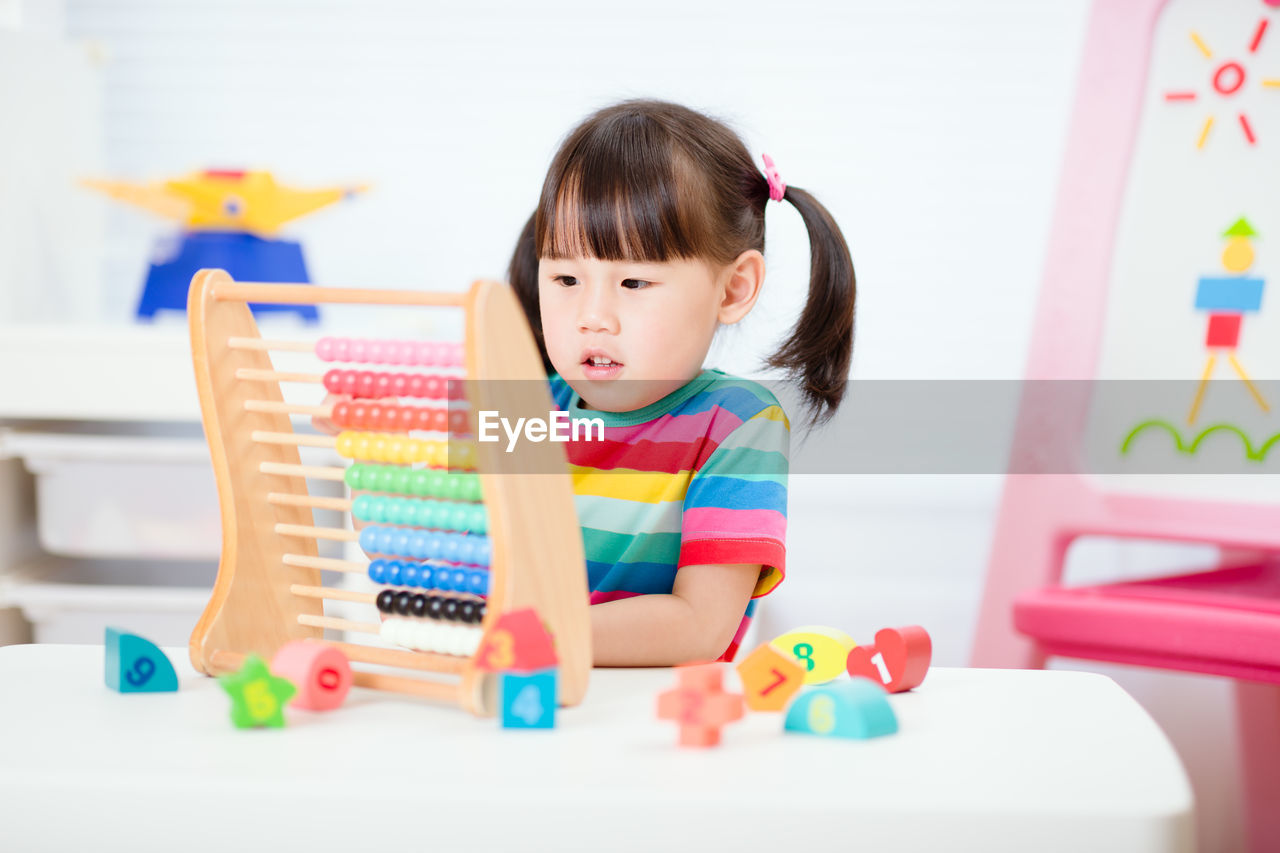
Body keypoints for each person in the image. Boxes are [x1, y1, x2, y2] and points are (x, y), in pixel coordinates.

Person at [505, 98, 856, 666]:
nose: (592, 315)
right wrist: (367, 453)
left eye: (635, 283)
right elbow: (425, 529)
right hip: (531, 705)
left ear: (733, 288)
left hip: (659, 724)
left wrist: (533, 633)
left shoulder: (736, 426)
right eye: (566, 277)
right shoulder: (525, 409)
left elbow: (698, 628)